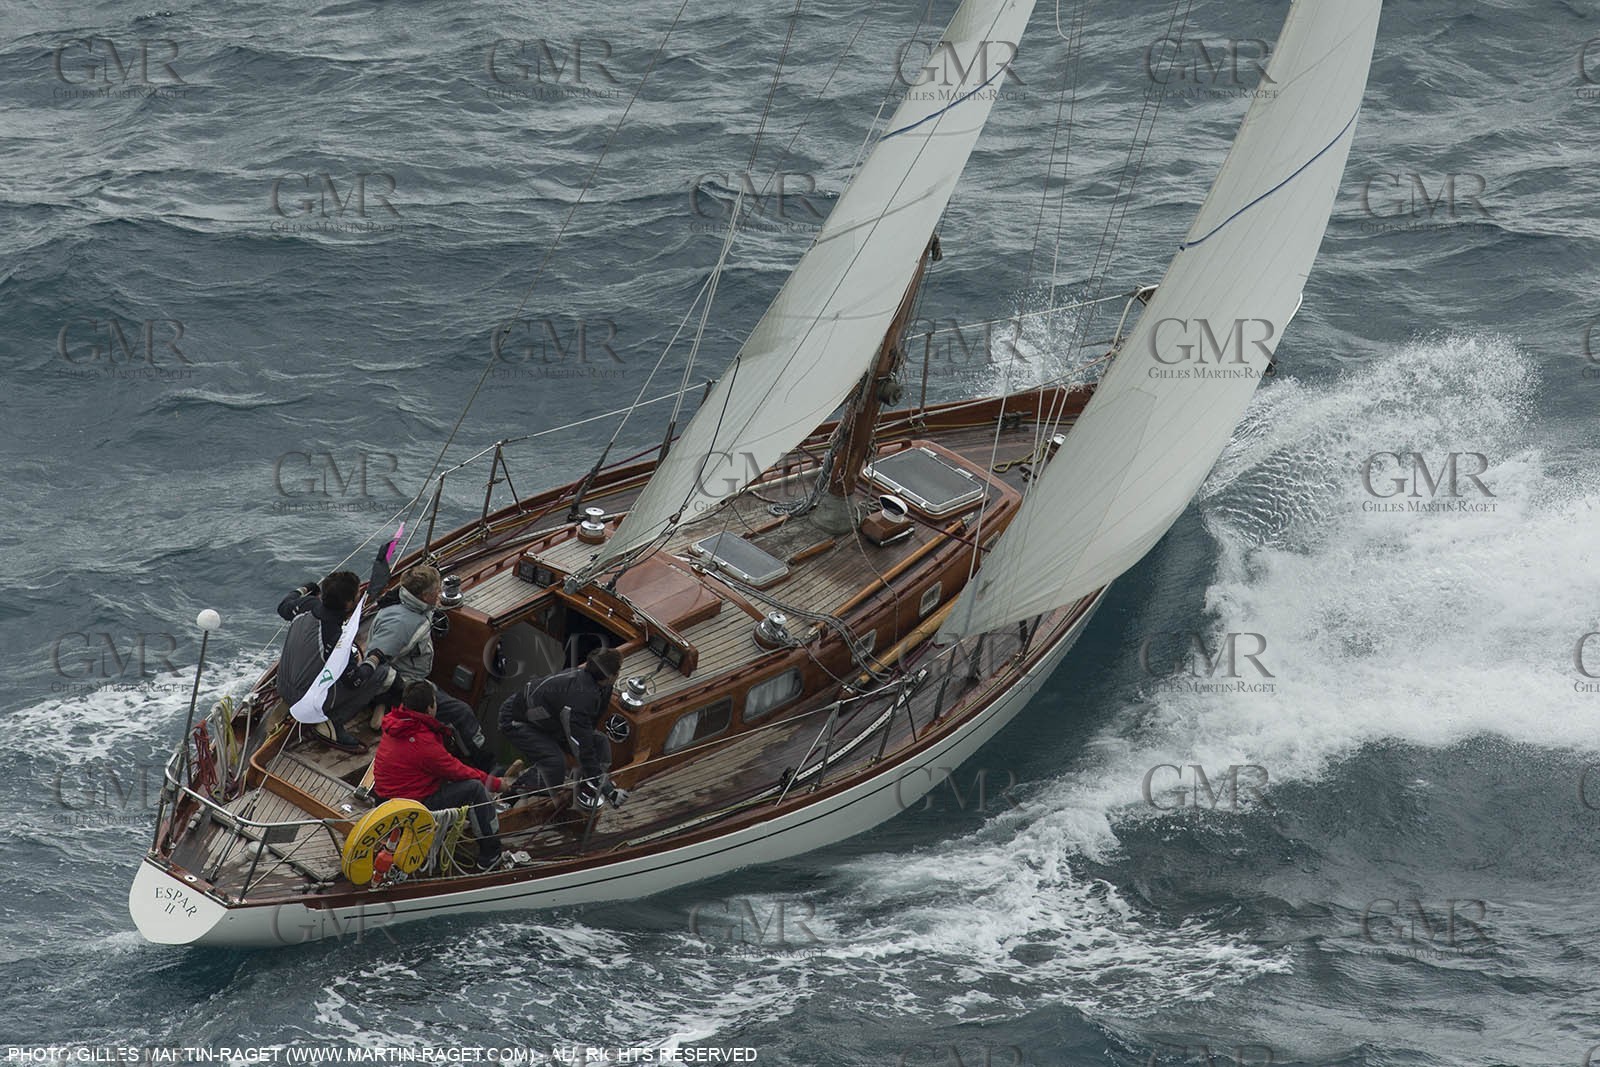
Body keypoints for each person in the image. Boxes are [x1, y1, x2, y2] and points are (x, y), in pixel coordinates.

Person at [373, 680, 525, 870]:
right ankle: (491, 855)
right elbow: (457, 771)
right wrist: (496, 784)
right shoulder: (424, 744)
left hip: (388, 800)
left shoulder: (396, 724)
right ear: (430, 708)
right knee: (475, 790)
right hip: (412, 806)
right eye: (435, 702)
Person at [366, 564, 493, 772]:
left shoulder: (411, 606)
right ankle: (485, 765)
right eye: (436, 592)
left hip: (409, 677)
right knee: (461, 713)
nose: (439, 595)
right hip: (405, 686)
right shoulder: (400, 624)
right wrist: (399, 687)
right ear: (425, 596)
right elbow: (375, 667)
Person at [276, 571, 398, 753]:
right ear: (349, 604)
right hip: (304, 700)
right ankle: (332, 722)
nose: (360, 595)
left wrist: (306, 587)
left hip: (282, 686)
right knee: (382, 672)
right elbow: (354, 681)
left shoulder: (306, 605)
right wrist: (374, 658)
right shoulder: (336, 638)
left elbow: (283, 606)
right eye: (358, 594)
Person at [498, 647, 628, 810]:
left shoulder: (602, 686)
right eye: (619, 671)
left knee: (600, 741)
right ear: (612, 676)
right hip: (517, 719)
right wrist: (609, 790)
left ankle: (589, 788)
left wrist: (595, 777)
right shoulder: (579, 701)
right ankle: (506, 801)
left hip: (552, 721)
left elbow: (589, 727)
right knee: (554, 763)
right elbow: (583, 749)